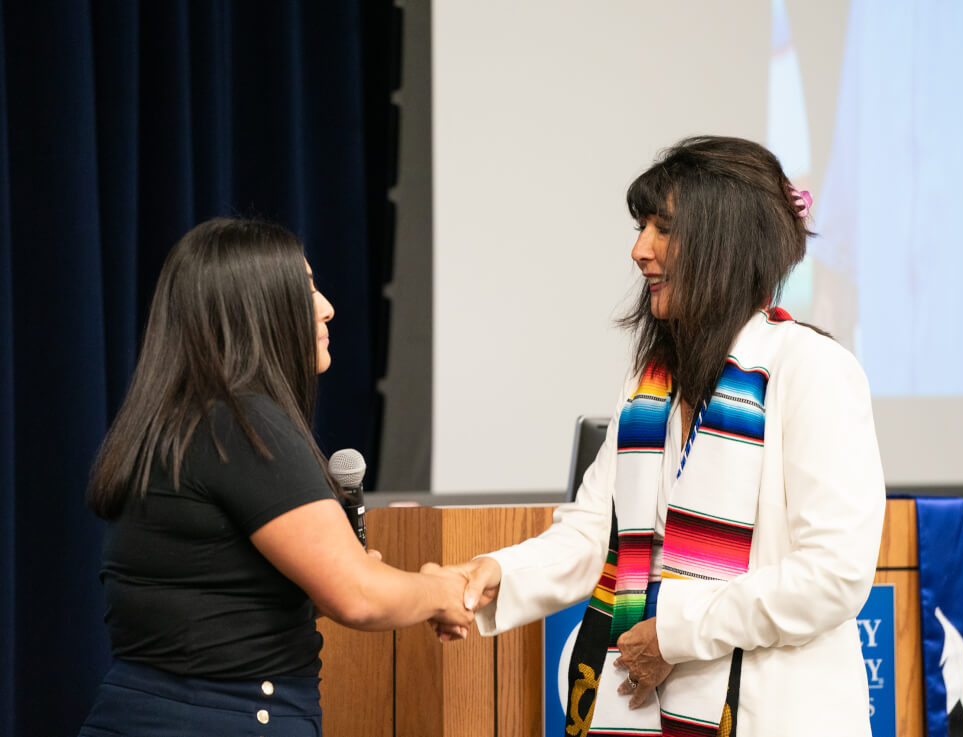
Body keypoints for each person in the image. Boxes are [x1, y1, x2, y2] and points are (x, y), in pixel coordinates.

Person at [435, 137, 886, 737]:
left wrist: (677, 631)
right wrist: (493, 573)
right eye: (641, 226)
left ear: (723, 246)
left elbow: (833, 574)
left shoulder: (813, 370)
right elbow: (594, 531)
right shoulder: (650, 384)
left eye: (663, 229)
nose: (639, 249)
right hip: (642, 708)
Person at [79, 218, 472, 736]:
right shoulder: (242, 423)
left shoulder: (175, 422)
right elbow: (358, 597)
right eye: (306, 288)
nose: (327, 306)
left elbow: (218, 607)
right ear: (256, 311)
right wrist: (441, 590)